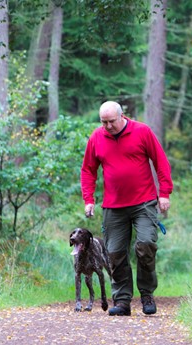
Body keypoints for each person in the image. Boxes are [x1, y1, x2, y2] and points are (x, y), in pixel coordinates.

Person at [80, 100, 173, 316]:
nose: (108, 126)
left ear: (122, 116)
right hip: (113, 206)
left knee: (146, 244)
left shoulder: (142, 132)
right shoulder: (96, 137)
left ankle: (147, 294)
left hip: (144, 203)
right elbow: (88, 170)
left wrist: (165, 193)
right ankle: (122, 301)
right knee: (114, 253)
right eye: (104, 122)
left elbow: (160, 161)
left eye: (111, 121)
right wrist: (89, 199)